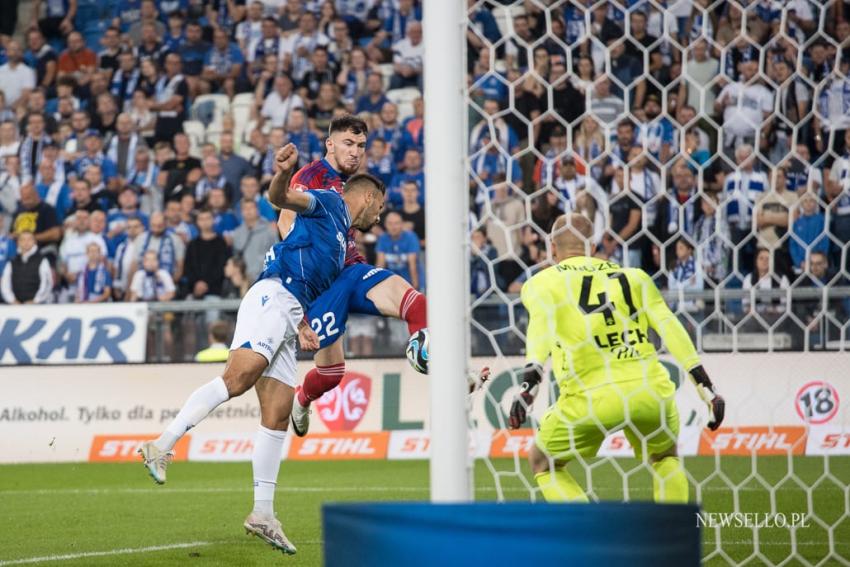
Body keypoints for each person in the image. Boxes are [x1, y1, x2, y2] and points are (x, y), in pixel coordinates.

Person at [138, 144, 385, 556]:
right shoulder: (327, 202)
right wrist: (283, 173)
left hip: (291, 312)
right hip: (273, 295)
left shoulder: (341, 237)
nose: (379, 216)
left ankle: (262, 513)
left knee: (277, 414)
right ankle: (161, 444)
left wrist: (303, 323)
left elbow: (306, 269)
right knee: (237, 378)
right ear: (369, 197)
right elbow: (281, 198)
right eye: (379, 208)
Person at [508, 213, 725, 503]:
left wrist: (529, 383)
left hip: (590, 397)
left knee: (542, 461)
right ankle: (675, 540)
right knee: (664, 457)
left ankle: (588, 538)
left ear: (551, 247)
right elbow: (669, 326)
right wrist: (706, 389)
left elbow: (540, 328)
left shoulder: (542, 282)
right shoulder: (634, 277)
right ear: (594, 246)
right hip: (650, 390)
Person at [283, 116, 429, 438]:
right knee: (332, 374)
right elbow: (285, 222)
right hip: (321, 284)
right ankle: (302, 398)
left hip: (353, 269)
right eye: (349, 144)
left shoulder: (353, 184)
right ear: (330, 144)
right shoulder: (310, 176)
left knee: (416, 303)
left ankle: (428, 353)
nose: (355, 152)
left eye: (361, 146)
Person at [0, 230, 53, 304]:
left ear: (34, 242)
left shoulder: (42, 260)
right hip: (16, 306)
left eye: (29, 239)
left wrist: (35, 301)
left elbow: (47, 283)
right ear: (18, 242)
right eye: (23, 239)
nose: (26, 242)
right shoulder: (12, 262)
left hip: (38, 305)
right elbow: (5, 284)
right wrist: (13, 301)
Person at [376, 211, 421, 290]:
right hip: (391, 284)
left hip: (409, 282)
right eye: (390, 223)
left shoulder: (411, 237)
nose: (393, 227)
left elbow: (412, 266)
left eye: (396, 223)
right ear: (385, 225)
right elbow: (380, 265)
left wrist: (415, 289)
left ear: (402, 224)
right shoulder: (383, 238)